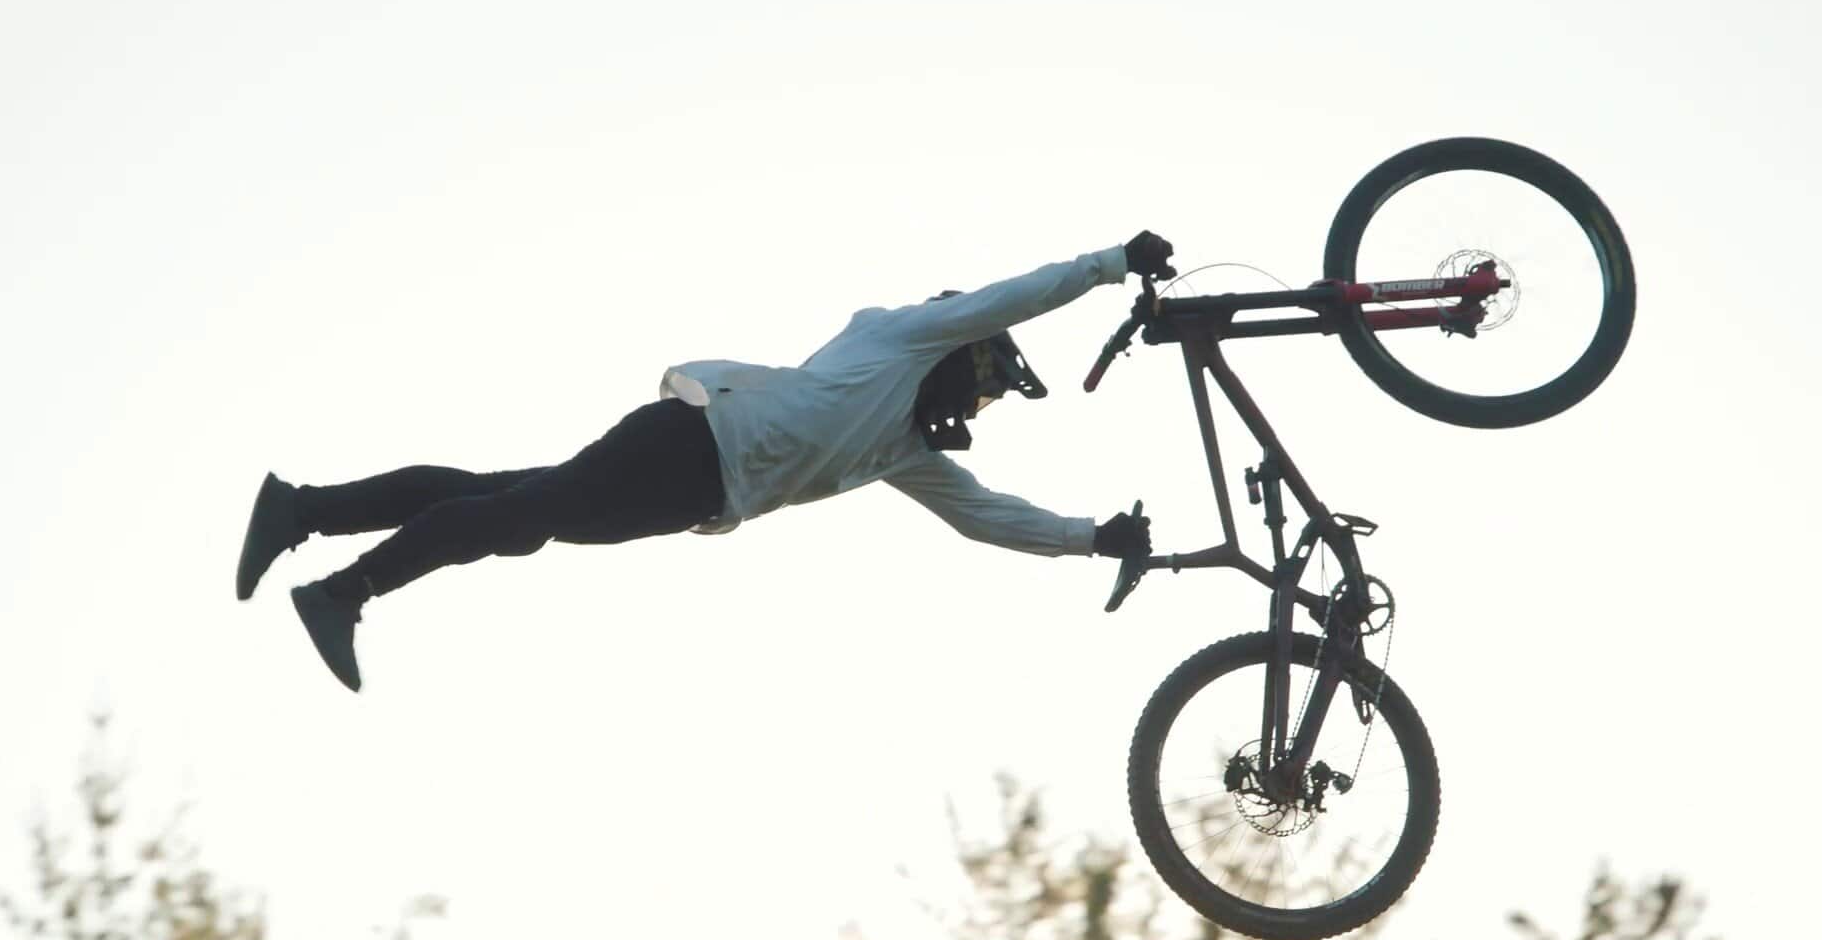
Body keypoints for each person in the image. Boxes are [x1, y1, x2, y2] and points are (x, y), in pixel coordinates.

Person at [236, 231, 1176, 692]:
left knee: (503, 502)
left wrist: (1093, 538)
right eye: (986, 389)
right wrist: (1107, 264)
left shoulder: (900, 448)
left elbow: (984, 516)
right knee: (516, 519)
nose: (979, 408)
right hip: (690, 439)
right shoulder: (906, 337)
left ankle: (301, 511)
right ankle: (342, 592)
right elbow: (1013, 294)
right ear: (969, 353)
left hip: (694, 489)